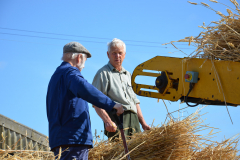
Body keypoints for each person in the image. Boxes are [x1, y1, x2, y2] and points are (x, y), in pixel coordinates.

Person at [46, 41, 124, 160]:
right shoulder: (70, 73)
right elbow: (86, 89)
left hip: (59, 139)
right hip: (74, 138)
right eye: (85, 61)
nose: (84, 66)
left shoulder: (56, 76)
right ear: (78, 57)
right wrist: (111, 105)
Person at [92, 38, 150, 140]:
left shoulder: (128, 75)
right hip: (118, 120)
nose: (117, 56)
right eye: (114, 53)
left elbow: (135, 102)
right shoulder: (103, 73)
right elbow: (96, 102)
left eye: (120, 53)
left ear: (124, 55)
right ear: (108, 54)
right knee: (121, 154)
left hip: (134, 120)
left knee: (137, 154)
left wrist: (143, 123)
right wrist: (107, 121)